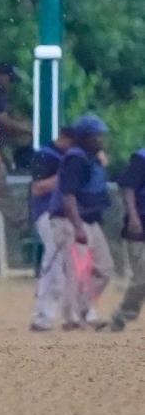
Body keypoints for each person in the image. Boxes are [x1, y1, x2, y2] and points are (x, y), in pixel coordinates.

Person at [46, 114, 114, 330]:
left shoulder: (90, 158)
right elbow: (68, 196)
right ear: (85, 137)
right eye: (96, 136)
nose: (100, 140)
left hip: (90, 219)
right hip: (72, 219)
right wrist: (77, 227)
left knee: (104, 268)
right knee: (76, 271)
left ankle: (84, 308)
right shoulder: (76, 158)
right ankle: (71, 318)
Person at [28, 126, 74, 332]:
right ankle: (42, 316)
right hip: (47, 213)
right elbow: (37, 188)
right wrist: (65, 176)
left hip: (66, 216)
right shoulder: (45, 155)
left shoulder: (68, 157)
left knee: (66, 266)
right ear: (64, 138)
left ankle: (67, 315)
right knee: (54, 264)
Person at [110, 145, 145, 332]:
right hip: (140, 223)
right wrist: (133, 216)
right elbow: (129, 187)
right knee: (142, 276)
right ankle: (124, 313)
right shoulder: (141, 157)